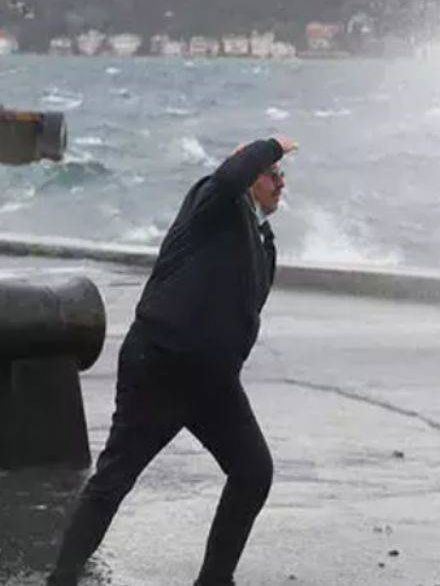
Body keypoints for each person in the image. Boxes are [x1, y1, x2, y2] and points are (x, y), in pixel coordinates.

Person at [48, 136, 297, 586]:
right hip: (160, 367)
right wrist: (272, 145)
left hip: (213, 384)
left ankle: (214, 580)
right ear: (247, 174)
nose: (280, 181)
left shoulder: (265, 242)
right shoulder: (214, 202)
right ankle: (61, 579)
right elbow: (227, 177)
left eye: (282, 175)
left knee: (253, 472)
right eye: (271, 173)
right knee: (114, 480)